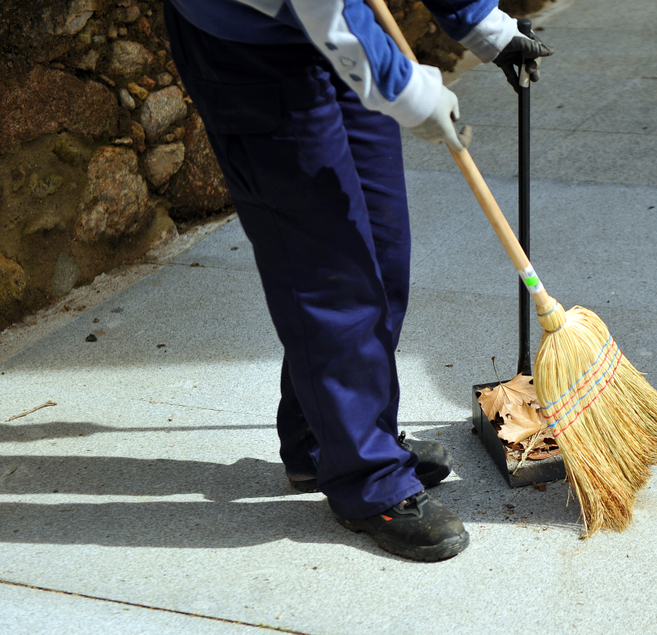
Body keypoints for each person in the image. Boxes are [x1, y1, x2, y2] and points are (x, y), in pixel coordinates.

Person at [161, 0, 552, 562]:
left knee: (382, 255)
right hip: (254, 48)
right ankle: (370, 481)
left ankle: (326, 440)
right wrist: (407, 91)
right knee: (330, 275)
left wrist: (482, 22)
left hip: (343, 22)